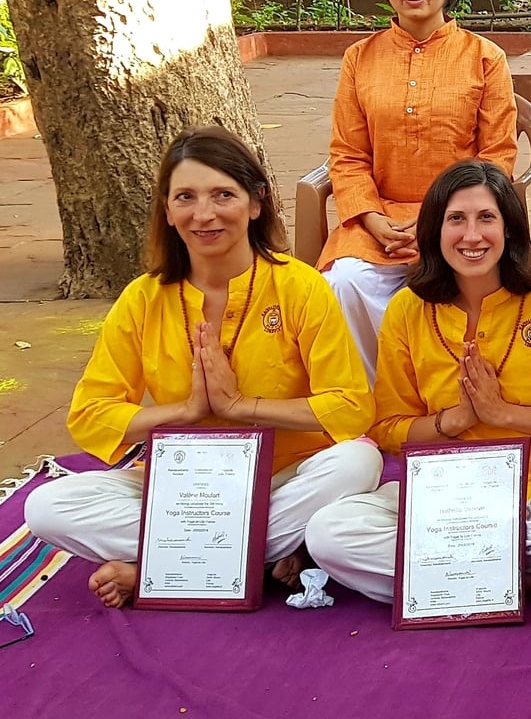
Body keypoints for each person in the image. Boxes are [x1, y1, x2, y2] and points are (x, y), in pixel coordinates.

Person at [25, 128, 380, 608]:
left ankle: (165, 565)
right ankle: (254, 555)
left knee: (358, 462)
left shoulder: (300, 287)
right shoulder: (144, 298)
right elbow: (90, 415)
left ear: (255, 204)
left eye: (222, 195)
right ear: (168, 212)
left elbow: (351, 407)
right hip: (181, 486)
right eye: (186, 197)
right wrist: (187, 413)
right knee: (47, 508)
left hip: (284, 474)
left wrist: (241, 407)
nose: (204, 214)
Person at [304, 160, 531, 602]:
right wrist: (453, 421)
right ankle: (529, 580)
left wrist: (503, 414)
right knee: (328, 534)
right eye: (456, 219)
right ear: (434, 230)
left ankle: (446, 574)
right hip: (444, 495)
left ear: (509, 228)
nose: (472, 236)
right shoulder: (407, 311)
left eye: (486, 218)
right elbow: (387, 427)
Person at [319, 0, 518, 380]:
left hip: (459, 216)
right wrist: (371, 219)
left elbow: (496, 155)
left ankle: (453, 391)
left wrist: (440, 219)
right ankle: (378, 400)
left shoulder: (485, 57)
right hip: (379, 220)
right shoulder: (359, 58)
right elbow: (347, 154)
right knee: (345, 282)